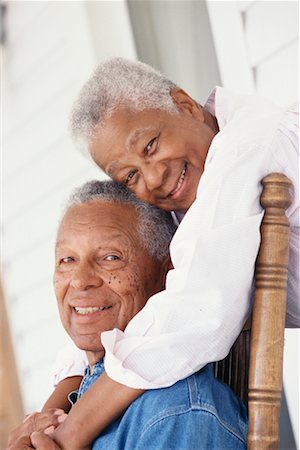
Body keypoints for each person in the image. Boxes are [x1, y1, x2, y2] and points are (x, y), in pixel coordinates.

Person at [50, 57, 299, 448]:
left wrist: (69, 434)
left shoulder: (252, 144)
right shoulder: (188, 205)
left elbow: (196, 306)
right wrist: (54, 409)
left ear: (184, 105)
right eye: (129, 175)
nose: (151, 178)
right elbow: (112, 306)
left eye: (150, 146)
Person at [8, 180, 248, 450]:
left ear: (167, 274)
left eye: (111, 258)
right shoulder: (70, 401)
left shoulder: (174, 412)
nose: (80, 281)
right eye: (67, 260)